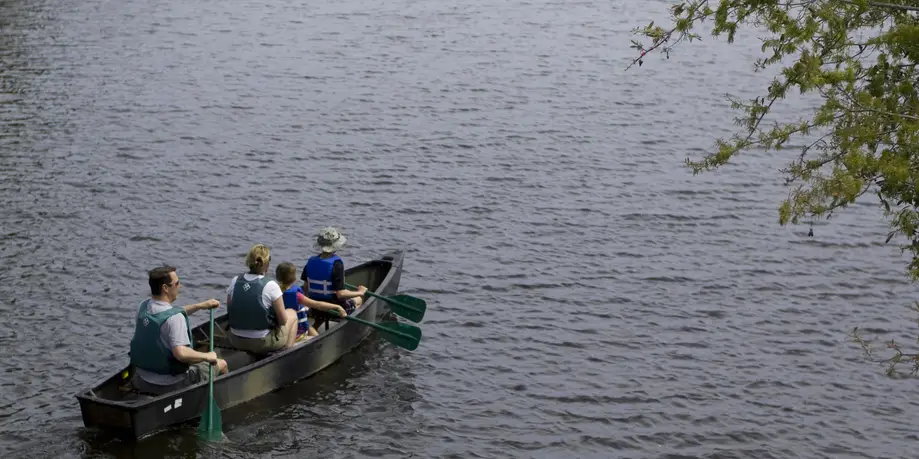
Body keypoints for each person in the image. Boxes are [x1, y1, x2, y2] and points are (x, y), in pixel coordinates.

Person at [129, 265, 228, 395]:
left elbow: (167, 314)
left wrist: (200, 306)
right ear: (165, 288)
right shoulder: (175, 318)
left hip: (140, 379)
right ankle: (223, 397)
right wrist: (207, 356)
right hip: (170, 384)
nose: (179, 286)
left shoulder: (143, 307)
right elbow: (181, 354)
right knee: (222, 364)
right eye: (177, 283)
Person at [225, 244, 298, 353]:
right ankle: (287, 352)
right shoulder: (271, 285)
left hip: (235, 339)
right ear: (267, 264)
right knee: (292, 313)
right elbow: (283, 321)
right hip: (262, 342)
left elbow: (229, 309)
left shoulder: (235, 281)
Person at [300, 227, 368, 330]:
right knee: (358, 300)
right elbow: (341, 294)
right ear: (336, 246)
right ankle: (351, 329)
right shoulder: (337, 264)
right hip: (333, 309)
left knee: (321, 308)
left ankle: (315, 327)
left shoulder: (310, 262)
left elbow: (305, 288)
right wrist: (360, 292)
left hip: (314, 308)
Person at [275, 261, 348, 340]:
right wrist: (337, 307)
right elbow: (317, 305)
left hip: (283, 330)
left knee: (310, 328)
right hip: (297, 333)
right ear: (294, 278)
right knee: (316, 335)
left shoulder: (275, 292)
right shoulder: (297, 295)